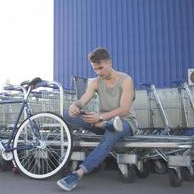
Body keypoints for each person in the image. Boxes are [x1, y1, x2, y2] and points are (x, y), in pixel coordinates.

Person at [57, 47, 138, 191]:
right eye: (95, 69)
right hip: (101, 121)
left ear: (109, 63)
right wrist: (75, 106)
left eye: (101, 68)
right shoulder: (94, 81)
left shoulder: (126, 80)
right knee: (67, 114)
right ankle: (106, 125)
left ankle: (78, 174)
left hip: (125, 122)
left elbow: (124, 109)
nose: (99, 72)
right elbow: (83, 100)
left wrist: (100, 117)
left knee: (112, 131)